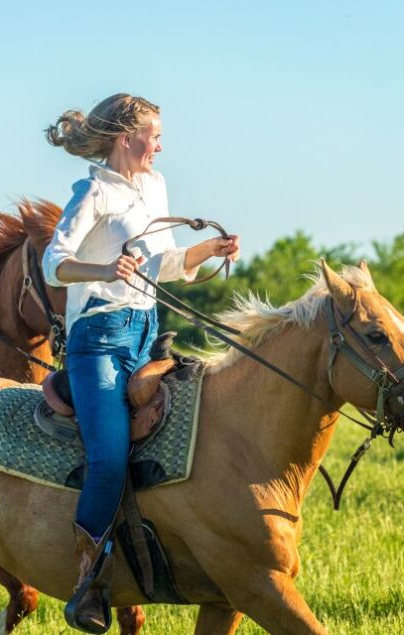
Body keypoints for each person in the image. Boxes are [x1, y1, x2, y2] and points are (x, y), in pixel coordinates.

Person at [43, 93, 240, 632]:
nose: (160, 144)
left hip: (149, 331)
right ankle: (88, 583)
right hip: (100, 338)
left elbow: (167, 263)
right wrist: (105, 270)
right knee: (109, 455)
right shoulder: (93, 189)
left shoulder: (154, 186)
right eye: (154, 134)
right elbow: (53, 262)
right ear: (127, 138)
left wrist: (209, 253)